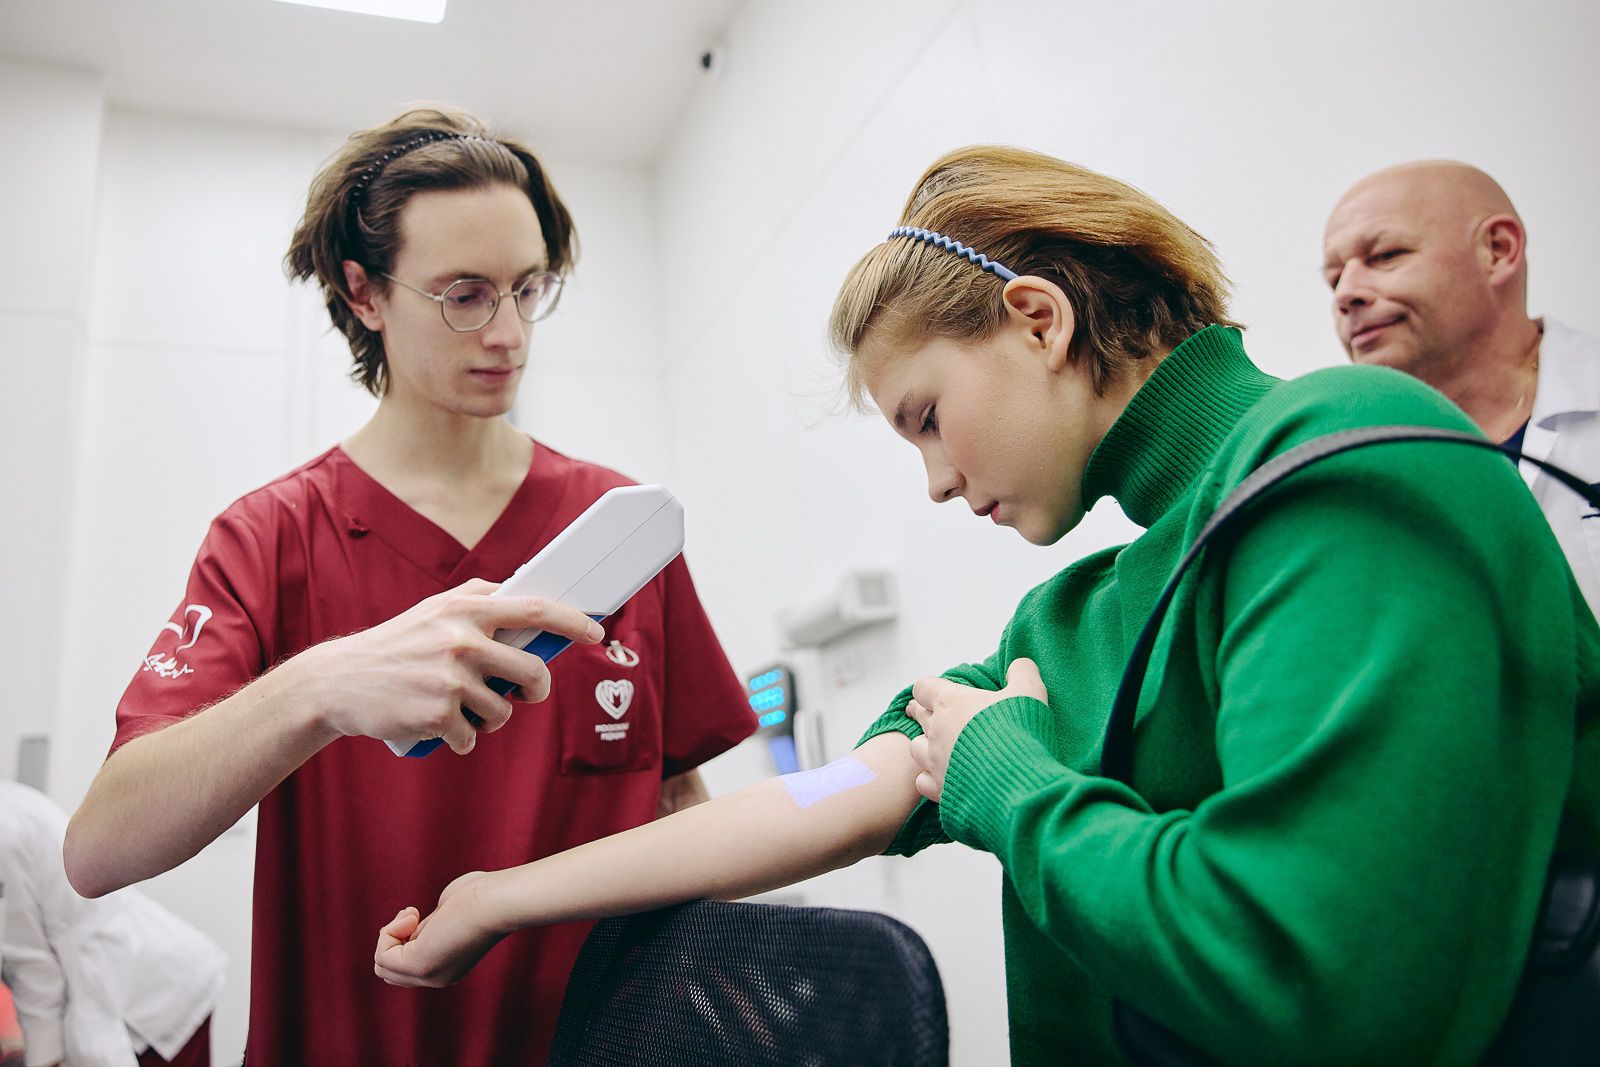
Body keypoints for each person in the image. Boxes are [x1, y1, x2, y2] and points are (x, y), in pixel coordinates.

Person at [370, 145, 1600, 1065]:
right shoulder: (1074, 617)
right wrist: (499, 896)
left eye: (926, 418)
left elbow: (1321, 983)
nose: (938, 480)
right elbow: (824, 796)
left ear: (1038, 319)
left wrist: (1009, 779)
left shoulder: (1346, 451)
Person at [62, 107, 756, 1065]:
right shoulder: (273, 536)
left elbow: (682, 802)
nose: (509, 332)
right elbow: (98, 849)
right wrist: (317, 688)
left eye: (527, 289)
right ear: (365, 293)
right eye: (464, 294)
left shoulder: (622, 531)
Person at [1323, 161, 1600, 617]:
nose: (1344, 294)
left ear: (1498, 250)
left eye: (1386, 255)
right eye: (1334, 278)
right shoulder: (1342, 473)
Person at [2, 781, 223, 1067]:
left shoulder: (5, 832)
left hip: (148, 997)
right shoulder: (10, 804)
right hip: (147, 976)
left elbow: (33, 973)